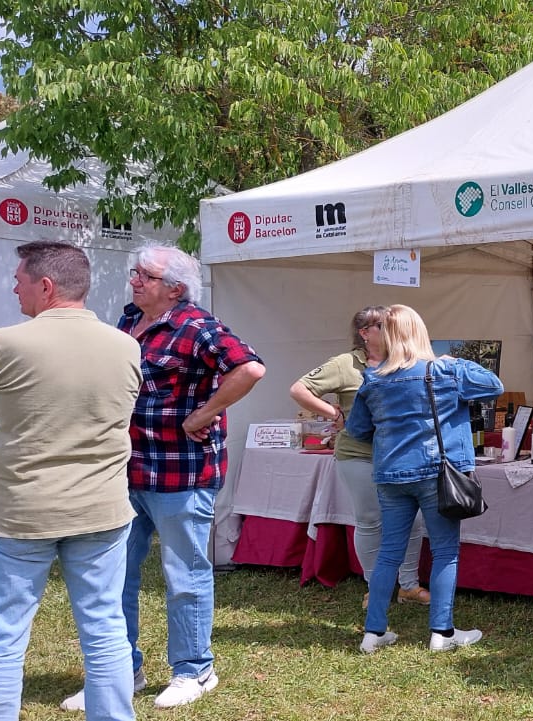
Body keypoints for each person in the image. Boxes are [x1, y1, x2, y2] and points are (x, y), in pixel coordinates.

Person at [61, 244, 266, 711]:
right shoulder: (130, 317)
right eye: (135, 272)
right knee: (116, 575)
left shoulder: (195, 324)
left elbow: (251, 367)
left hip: (182, 471)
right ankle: (121, 671)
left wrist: (206, 413)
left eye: (145, 275)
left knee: (184, 575)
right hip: (126, 469)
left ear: (175, 287)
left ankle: (195, 670)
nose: (135, 280)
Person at [0, 243, 141, 721]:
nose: (15, 287)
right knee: (105, 628)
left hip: (21, 511)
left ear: (46, 286)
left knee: (4, 634)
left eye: (20, 280)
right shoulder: (127, 345)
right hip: (101, 508)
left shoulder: (4, 342)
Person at [345, 304, 503, 654]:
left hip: (390, 474)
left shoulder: (373, 379)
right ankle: (441, 633)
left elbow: (356, 429)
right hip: (437, 473)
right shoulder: (444, 370)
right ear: (420, 332)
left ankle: (373, 633)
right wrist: (454, 361)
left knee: (389, 553)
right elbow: (494, 384)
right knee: (445, 550)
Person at [288, 306, 430, 608]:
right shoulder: (345, 363)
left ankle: (408, 585)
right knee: (370, 520)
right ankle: (375, 587)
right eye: (383, 325)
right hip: (359, 454)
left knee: (414, 520)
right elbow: (299, 389)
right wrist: (332, 412)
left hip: (398, 456)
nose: (391, 329)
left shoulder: (403, 359)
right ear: (365, 333)